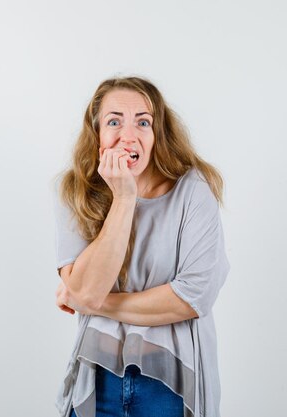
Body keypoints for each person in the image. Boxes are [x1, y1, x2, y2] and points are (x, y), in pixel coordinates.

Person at [51, 76, 231, 417]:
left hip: (169, 386)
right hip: (96, 378)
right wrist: (123, 197)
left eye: (143, 122)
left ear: (158, 134)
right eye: (114, 121)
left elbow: (193, 297)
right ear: (97, 134)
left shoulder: (193, 191)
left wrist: (91, 301)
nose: (127, 135)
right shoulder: (75, 189)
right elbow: (86, 291)